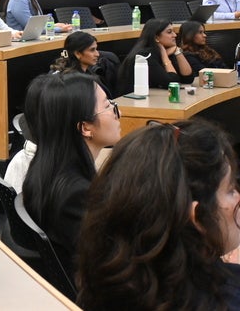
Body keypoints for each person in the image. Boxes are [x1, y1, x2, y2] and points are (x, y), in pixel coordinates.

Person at [78, 121, 240, 311]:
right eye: (230, 190)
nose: (238, 196)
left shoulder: (104, 279)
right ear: (198, 217)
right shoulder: (226, 298)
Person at [22, 72, 121, 279]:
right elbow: (111, 263)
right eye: (107, 106)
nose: (115, 111)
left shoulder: (49, 168)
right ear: (85, 127)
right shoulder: (74, 194)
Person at [117, 18, 194, 95]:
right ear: (156, 38)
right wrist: (165, 57)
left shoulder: (166, 49)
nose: (175, 35)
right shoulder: (145, 56)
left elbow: (188, 78)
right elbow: (172, 84)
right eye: (169, 32)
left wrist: (177, 52)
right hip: (133, 102)